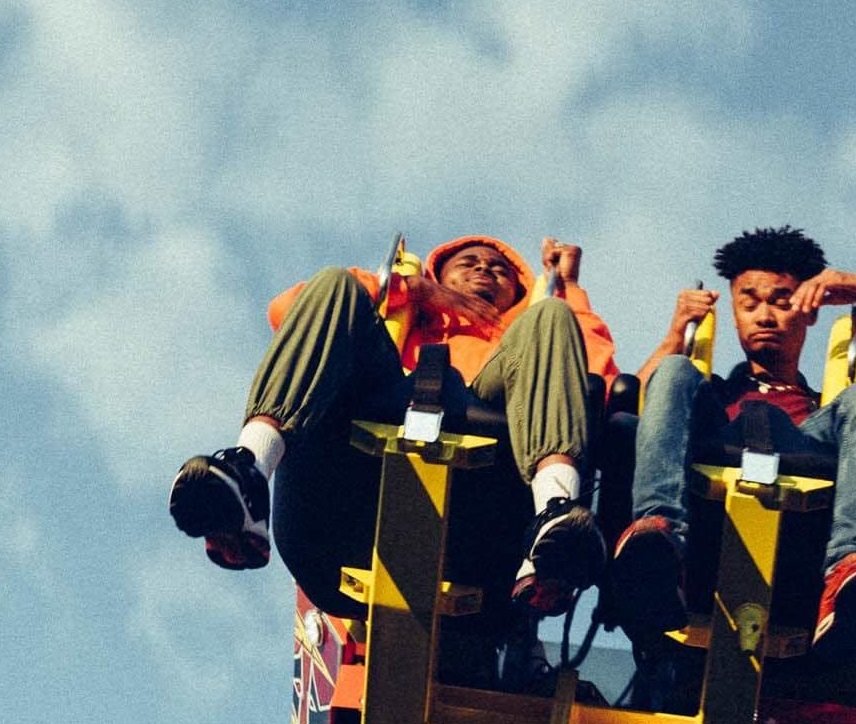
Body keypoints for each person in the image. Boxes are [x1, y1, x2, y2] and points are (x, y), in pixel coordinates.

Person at [169, 235, 620, 614]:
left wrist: (569, 290)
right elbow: (287, 310)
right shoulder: (404, 314)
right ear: (439, 275)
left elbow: (595, 377)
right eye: (470, 263)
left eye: (500, 269)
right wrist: (410, 290)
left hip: (489, 501)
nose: (485, 270)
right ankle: (249, 471)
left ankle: (553, 518)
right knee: (333, 283)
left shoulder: (528, 335)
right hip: (353, 481)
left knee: (552, 318)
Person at [610, 226, 856, 658]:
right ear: (733, 311)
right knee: (676, 370)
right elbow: (624, 409)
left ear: (810, 312)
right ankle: (657, 542)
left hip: (801, 545)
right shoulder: (711, 398)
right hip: (707, 534)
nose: (765, 317)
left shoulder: (829, 414)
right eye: (749, 304)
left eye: (781, 301)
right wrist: (675, 334)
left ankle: (850, 567)